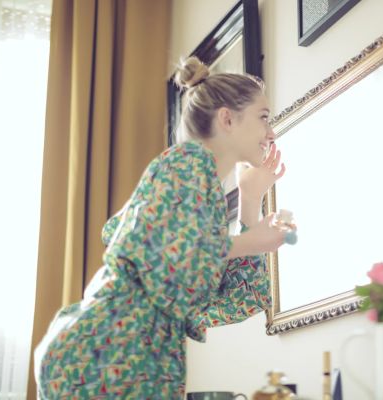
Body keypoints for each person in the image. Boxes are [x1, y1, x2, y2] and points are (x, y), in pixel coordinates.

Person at [35, 56, 288, 398]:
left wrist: (250, 201)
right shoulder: (186, 164)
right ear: (227, 119)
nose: (271, 132)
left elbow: (241, 300)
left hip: (137, 363)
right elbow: (165, 259)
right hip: (102, 357)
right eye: (263, 118)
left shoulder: (203, 194)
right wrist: (248, 242)